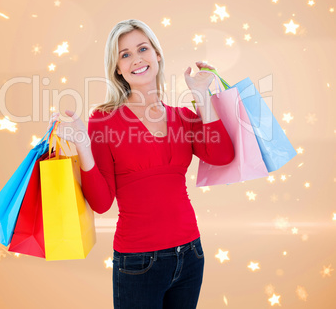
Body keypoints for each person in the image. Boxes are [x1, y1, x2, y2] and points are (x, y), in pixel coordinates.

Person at [47, 19, 235, 308]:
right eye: (125, 54)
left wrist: (201, 95)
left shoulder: (183, 116)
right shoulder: (104, 120)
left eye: (143, 48)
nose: (136, 59)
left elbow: (222, 155)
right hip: (137, 262)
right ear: (118, 69)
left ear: (157, 55)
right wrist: (83, 145)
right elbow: (100, 202)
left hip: (191, 255)